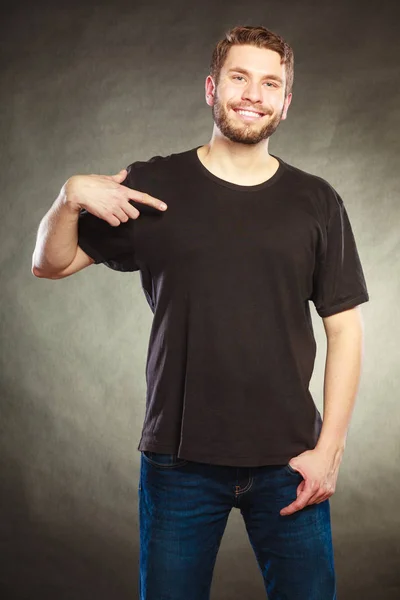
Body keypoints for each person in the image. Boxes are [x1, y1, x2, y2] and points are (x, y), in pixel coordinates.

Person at [32, 24, 369, 600]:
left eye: (270, 84)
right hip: (178, 465)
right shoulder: (155, 184)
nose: (253, 95)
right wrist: (68, 198)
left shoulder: (317, 201)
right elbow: (51, 263)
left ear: (286, 102)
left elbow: (346, 330)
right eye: (239, 77)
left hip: (291, 461)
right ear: (212, 87)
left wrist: (328, 451)